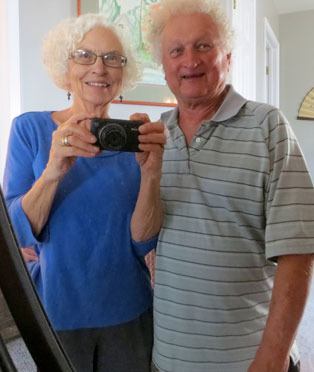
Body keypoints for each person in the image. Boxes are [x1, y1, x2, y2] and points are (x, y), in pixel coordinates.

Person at [142, 1, 314, 371]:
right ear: (164, 66)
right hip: (169, 359)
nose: (190, 60)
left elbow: (298, 251)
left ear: (228, 56)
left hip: (248, 360)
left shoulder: (268, 126)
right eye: (177, 50)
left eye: (204, 46)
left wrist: (272, 358)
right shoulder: (155, 134)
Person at [3, 13, 165, 372]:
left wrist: (152, 173)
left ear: (123, 73)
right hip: (56, 310)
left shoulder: (134, 141)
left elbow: (143, 243)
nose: (100, 68)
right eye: (85, 55)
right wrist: (52, 172)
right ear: (65, 65)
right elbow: (16, 235)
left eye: (112, 58)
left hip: (129, 310)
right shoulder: (30, 130)